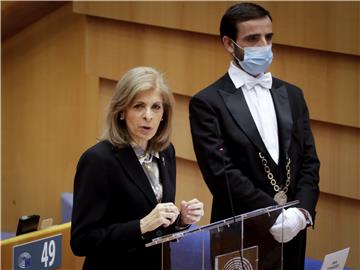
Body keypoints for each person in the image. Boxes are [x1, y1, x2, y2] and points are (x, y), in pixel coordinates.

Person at [189, 3, 320, 270]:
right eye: (252, 39)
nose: (264, 46)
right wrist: (272, 215)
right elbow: (220, 173)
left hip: (293, 230)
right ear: (229, 44)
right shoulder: (208, 102)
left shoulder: (293, 95)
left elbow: (309, 161)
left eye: (268, 37)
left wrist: (302, 212)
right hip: (240, 233)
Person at [71, 66, 204, 269]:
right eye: (139, 106)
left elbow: (159, 226)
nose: (148, 116)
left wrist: (181, 221)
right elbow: (82, 241)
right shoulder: (98, 160)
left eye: (156, 107)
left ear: (164, 114)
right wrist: (141, 226)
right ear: (122, 112)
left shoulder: (166, 152)